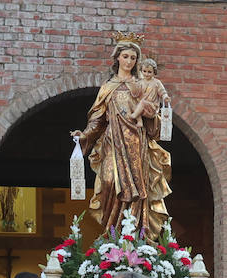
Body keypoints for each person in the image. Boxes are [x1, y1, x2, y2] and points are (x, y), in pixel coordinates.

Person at [71, 32, 171, 241]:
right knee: (108, 182)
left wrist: (152, 113)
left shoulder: (142, 84)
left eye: (133, 58)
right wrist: (85, 135)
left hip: (137, 144)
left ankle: (135, 237)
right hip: (112, 144)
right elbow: (98, 119)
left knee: (137, 190)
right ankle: (111, 236)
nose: (129, 61)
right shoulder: (108, 87)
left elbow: (152, 111)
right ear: (117, 58)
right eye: (125, 56)